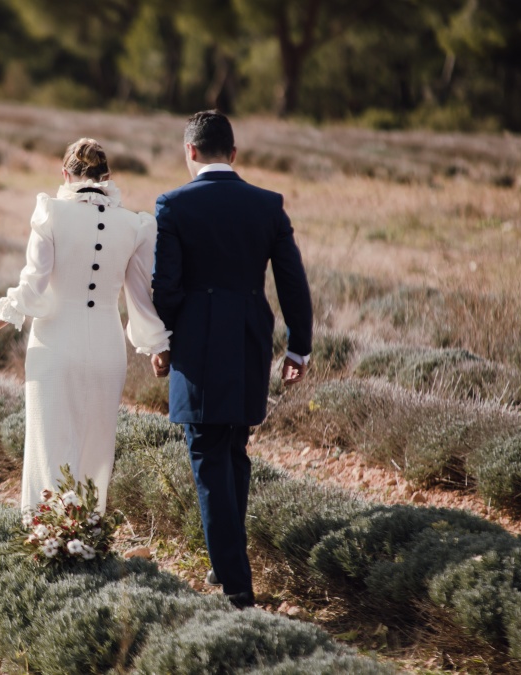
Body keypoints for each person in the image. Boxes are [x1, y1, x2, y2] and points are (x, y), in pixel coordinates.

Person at [150, 111, 313, 609]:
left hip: (196, 345)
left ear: (190, 152)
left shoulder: (173, 205)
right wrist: (298, 346)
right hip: (247, 340)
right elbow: (292, 281)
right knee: (234, 449)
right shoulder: (267, 204)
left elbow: (166, 287)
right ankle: (230, 567)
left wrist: (162, 340)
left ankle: (235, 586)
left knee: (207, 455)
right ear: (234, 153)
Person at [0, 138, 171, 515]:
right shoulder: (135, 225)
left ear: (65, 174)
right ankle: (86, 537)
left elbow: (33, 284)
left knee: (49, 444)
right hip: (108, 350)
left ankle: (49, 537)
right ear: (107, 177)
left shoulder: (51, 214)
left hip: (55, 345)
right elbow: (140, 298)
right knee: (96, 448)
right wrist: (158, 346)